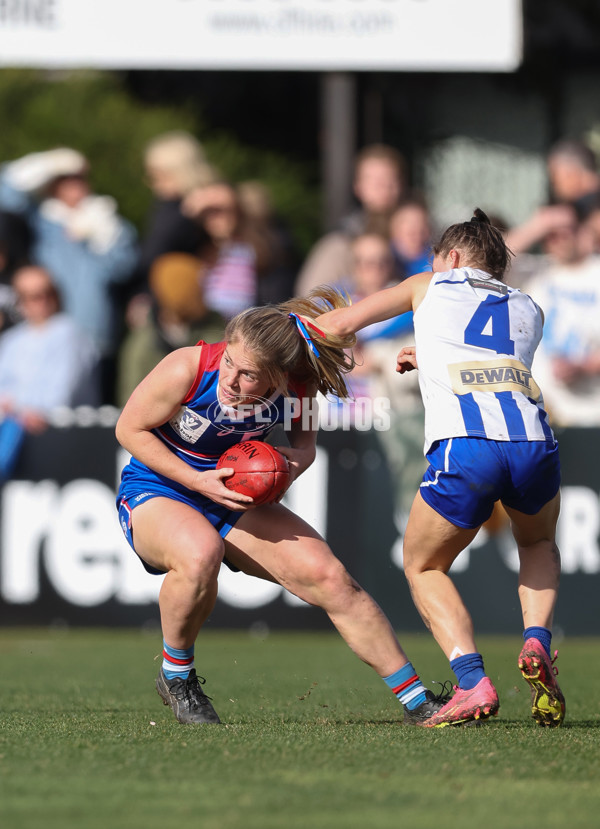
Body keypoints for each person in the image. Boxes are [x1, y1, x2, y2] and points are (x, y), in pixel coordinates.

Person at [115, 287, 448, 726]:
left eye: (248, 374)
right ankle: (178, 677)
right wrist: (197, 480)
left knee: (331, 579)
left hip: (231, 495)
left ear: (278, 376)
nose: (231, 380)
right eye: (229, 362)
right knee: (199, 555)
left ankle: (418, 702)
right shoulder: (187, 367)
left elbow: (305, 448)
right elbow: (129, 429)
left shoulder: (298, 386)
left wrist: (287, 468)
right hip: (160, 486)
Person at [316, 209, 565, 728]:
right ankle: (537, 642)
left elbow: (337, 326)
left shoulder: (431, 283)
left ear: (450, 258)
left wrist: (273, 339)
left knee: (423, 565)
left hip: (467, 446)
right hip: (534, 442)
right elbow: (488, 354)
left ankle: (472, 681)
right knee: (537, 544)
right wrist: (423, 354)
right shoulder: (529, 306)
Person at [0, 147, 138, 403]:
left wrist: (102, 235)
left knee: (91, 410)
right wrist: (51, 162)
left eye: (79, 179)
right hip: (49, 336)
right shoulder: (42, 222)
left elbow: (123, 269)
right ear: (53, 186)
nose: (75, 187)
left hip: (97, 338)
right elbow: (7, 191)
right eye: (65, 180)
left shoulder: (107, 222)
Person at [0, 265, 99, 479]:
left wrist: (16, 407)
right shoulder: (11, 340)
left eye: (48, 293)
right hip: (16, 437)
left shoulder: (70, 334)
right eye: (33, 296)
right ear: (20, 301)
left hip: (60, 440)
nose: (43, 300)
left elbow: (62, 394)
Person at [295, 144, 407, 296]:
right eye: (374, 180)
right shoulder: (339, 244)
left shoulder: (420, 240)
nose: (383, 187)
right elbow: (311, 302)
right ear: (358, 187)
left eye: (390, 179)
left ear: (401, 184)